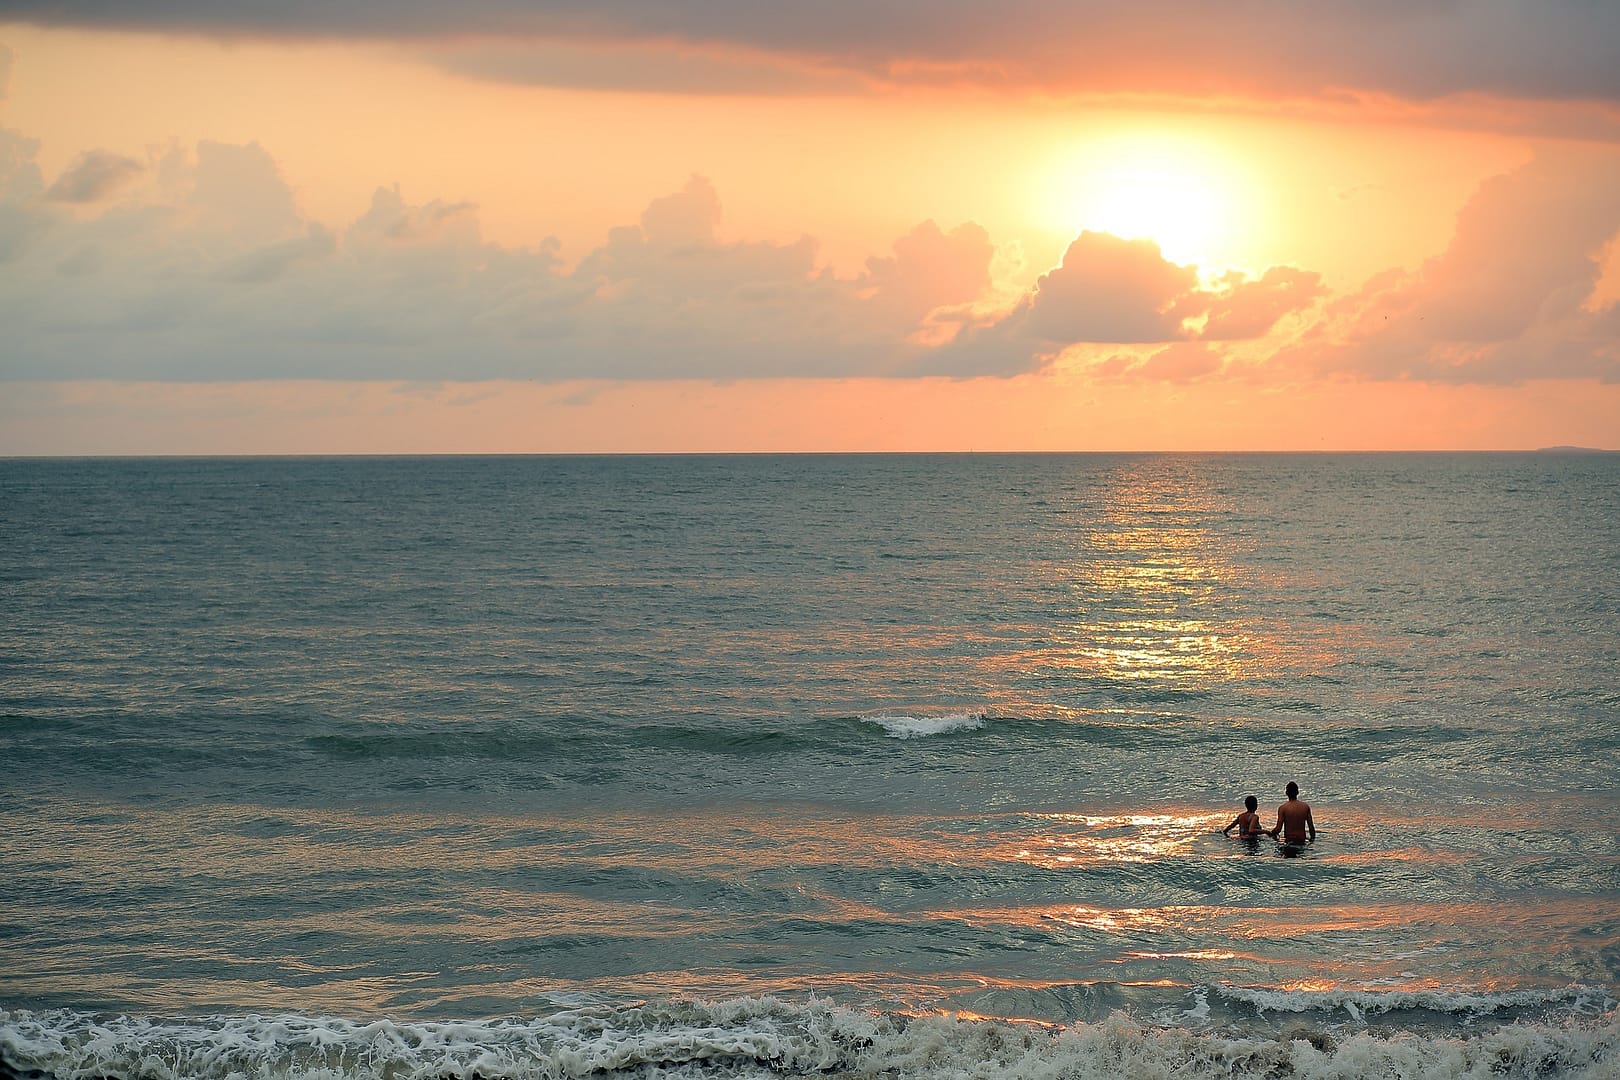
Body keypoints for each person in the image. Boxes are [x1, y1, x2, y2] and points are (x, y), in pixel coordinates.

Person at [1269, 781, 1316, 845]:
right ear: (1297, 792)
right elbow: (1311, 828)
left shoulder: (1283, 808)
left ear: (1286, 793)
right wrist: (1312, 841)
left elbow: (1278, 829)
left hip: (1289, 841)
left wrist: (1271, 833)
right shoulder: (1305, 807)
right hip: (1302, 840)